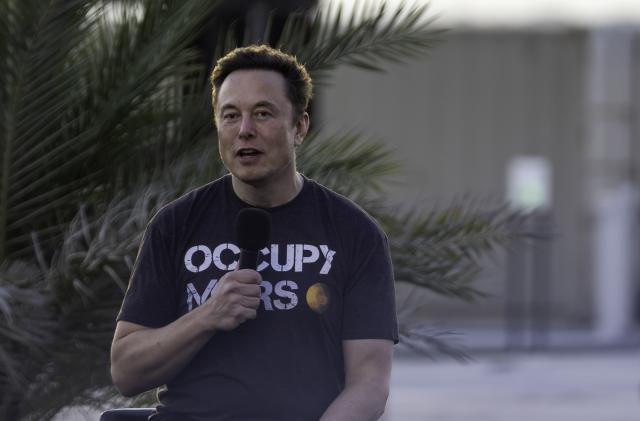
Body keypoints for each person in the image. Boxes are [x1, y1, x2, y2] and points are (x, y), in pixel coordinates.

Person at [110, 45, 398, 421]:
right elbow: (125, 372)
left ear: (300, 127)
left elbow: (370, 382)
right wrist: (208, 315)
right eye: (231, 115)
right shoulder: (175, 226)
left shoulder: (354, 233)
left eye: (263, 114)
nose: (245, 130)